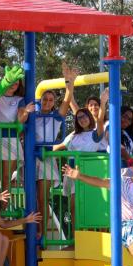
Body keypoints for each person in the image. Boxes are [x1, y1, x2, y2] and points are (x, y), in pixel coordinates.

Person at [34, 63, 77, 236]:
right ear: (40, 100)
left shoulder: (56, 118)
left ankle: (41, 232)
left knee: (42, 198)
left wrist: (69, 82)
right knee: (34, 197)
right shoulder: (33, 116)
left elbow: (67, 99)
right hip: (32, 156)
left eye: (51, 100)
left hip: (46, 156)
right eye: (45, 99)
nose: (47, 102)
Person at [54, 88, 109, 222]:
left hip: (88, 173)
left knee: (90, 209)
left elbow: (100, 121)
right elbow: (57, 148)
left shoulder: (95, 135)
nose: (82, 119)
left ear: (89, 117)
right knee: (74, 208)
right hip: (73, 174)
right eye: (79, 118)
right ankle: (75, 240)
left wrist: (102, 102)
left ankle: (92, 239)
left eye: (84, 116)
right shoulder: (73, 136)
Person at [0, 77, 35, 199]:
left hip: (11, 140)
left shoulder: (19, 100)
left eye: (17, 82)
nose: (14, 84)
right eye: (11, 80)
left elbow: (20, 119)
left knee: (6, 177)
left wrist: (25, 112)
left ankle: (2, 210)